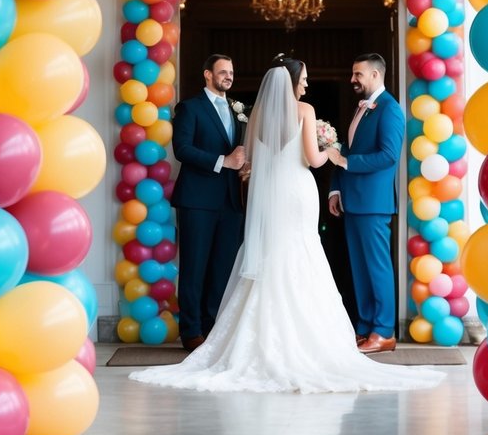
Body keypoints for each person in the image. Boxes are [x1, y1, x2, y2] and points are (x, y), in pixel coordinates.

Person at [130, 56, 443, 394]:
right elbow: (311, 158)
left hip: (271, 193)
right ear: (293, 82)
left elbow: (251, 160)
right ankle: (313, 337)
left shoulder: (257, 114)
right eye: (304, 79)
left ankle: (256, 335)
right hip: (297, 190)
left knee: (270, 253)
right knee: (301, 253)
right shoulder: (304, 111)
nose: (307, 84)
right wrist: (332, 150)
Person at [327, 53, 404, 354]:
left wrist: (346, 161)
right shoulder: (362, 110)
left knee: (377, 268)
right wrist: (335, 189)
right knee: (360, 268)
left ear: (375, 75)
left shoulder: (390, 110)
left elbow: (388, 155)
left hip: (374, 203)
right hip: (352, 200)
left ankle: (384, 332)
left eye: (358, 74)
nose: (353, 80)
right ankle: (365, 327)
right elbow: (346, 149)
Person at [170, 53, 248, 351]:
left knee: (222, 268)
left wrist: (242, 166)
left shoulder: (237, 110)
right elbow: (182, 149)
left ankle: (213, 328)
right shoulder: (189, 108)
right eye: (223, 71)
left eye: (231, 71)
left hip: (230, 202)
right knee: (195, 266)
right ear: (207, 74)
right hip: (197, 200)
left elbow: (239, 153)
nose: (228, 76)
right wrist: (222, 161)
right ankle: (191, 331)